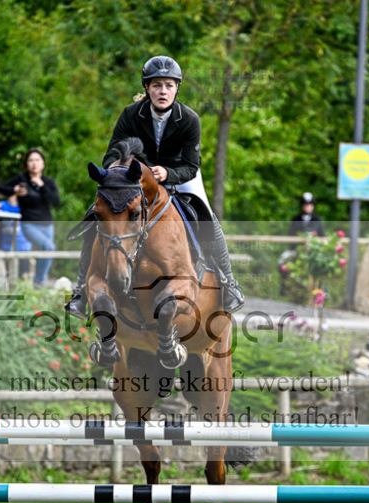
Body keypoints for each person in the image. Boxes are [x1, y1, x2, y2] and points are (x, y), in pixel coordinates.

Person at [66, 55, 245, 319]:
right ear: (147, 88)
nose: (163, 91)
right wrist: (122, 168)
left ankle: (229, 283)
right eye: (157, 85)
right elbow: (109, 156)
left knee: (208, 216)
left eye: (169, 85)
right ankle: (81, 290)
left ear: (176, 88)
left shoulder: (189, 119)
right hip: (135, 180)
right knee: (97, 214)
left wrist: (168, 173)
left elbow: (191, 166)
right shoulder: (130, 114)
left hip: (178, 175)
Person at [0, 149, 60, 287]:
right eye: (31, 160)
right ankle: (39, 282)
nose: (34, 163)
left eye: (37, 160)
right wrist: (15, 190)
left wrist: (41, 186)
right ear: (26, 164)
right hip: (29, 224)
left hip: (47, 225)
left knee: (43, 254)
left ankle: (37, 284)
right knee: (49, 247)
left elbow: (56, 202)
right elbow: (0, 188)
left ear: (43, 163)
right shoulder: (22, 179)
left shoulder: (48, 182)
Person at [0, 194, 32, 281]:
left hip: (23, 247)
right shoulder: (2, 205)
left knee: (23, 276)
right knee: (9, 274)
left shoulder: (26, 207)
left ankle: (23, 292)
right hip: (7, 246)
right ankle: (11, 293)